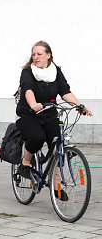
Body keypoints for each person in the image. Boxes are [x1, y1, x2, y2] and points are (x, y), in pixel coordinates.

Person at [16, 41, 92, 198]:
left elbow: (65, 92)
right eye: (33, 54)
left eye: (39, 54)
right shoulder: (28, 72)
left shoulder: (56, 71)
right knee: (38, 137)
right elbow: (28, 90)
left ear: (48, 55)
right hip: (28, 114)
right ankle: (25, 164)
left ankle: (56, 186)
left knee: (58, 146)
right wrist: (34, 104)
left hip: (49, 113)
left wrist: (80, 106)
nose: (35, 57)